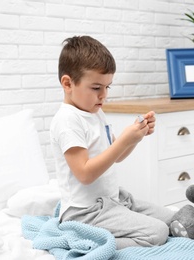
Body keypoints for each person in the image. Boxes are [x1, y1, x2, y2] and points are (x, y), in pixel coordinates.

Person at [50, 35, 175, 249]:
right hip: (84, 213)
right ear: (68, 83)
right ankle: (87, 242)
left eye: (108, 87)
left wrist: (136, 136)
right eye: (96, 87)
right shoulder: (67, 120)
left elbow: (117, 156)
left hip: (112, 201)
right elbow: (85, 174)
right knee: (158, 232)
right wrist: (124, 140)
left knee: (173, 218)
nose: (104, 95)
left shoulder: (95, 112)